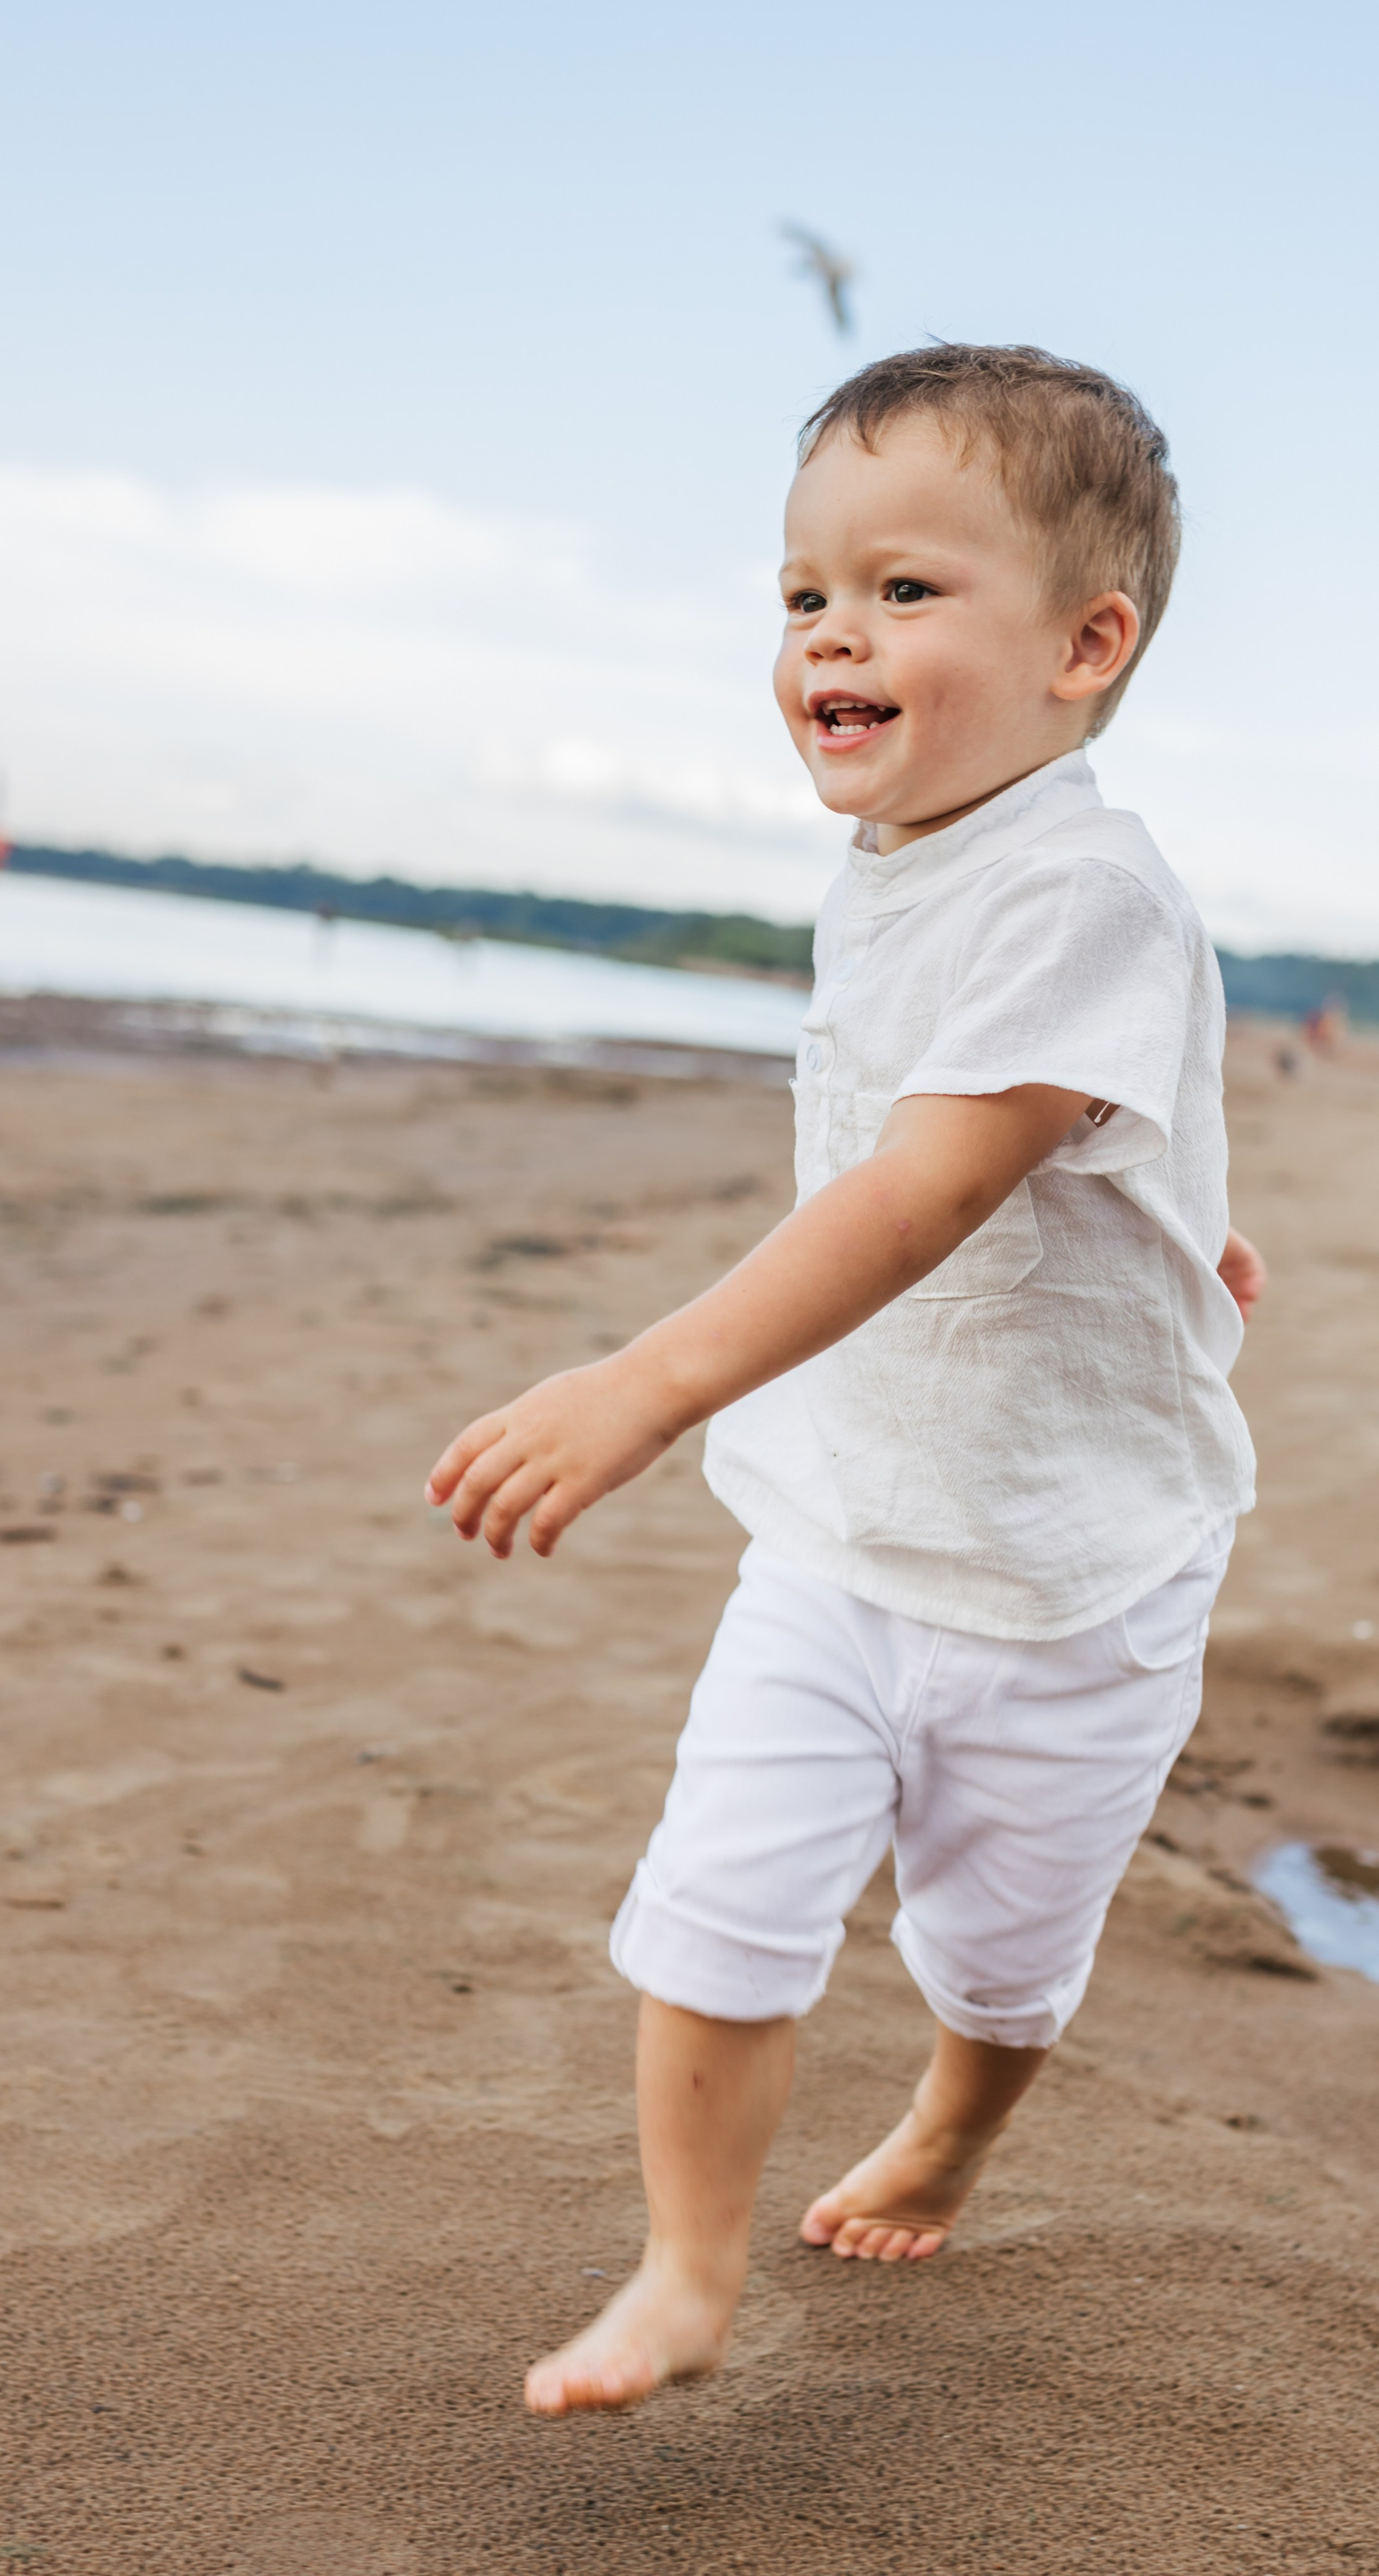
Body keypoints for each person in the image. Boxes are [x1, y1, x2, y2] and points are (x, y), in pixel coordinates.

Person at [425, 344, 1265, 2417]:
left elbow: (920, 1191)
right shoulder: (898, 872)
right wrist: (1184, 1231)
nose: (832, 634)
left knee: (996, 1957)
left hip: (1076, 1572)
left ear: (1087, 645)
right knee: (717, 1900)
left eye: (903, 589)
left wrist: (649, 1380)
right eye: (805, 594)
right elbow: (1035, 1134)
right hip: (844, 1533)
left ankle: (963, 2123)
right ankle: (684, 2274)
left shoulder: (1084, 883)